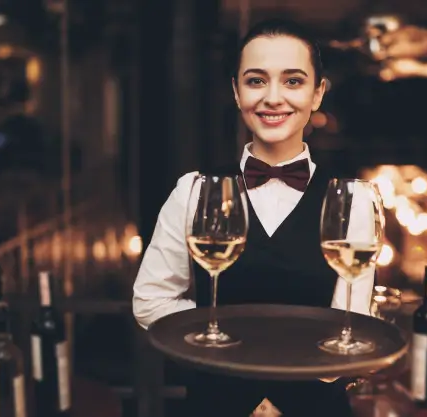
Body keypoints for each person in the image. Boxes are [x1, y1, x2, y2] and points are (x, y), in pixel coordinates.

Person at [133, 18, 375, 417]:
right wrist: (221, 348)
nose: (273, 97)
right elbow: (151, 300)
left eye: (293, 81)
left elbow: (353, 324)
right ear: (236, 91)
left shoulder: (354, 200)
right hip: (214, 405)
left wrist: (284, 394)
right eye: (257, 81)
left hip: (313, 407)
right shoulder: (193, 190)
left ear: (318, 94)